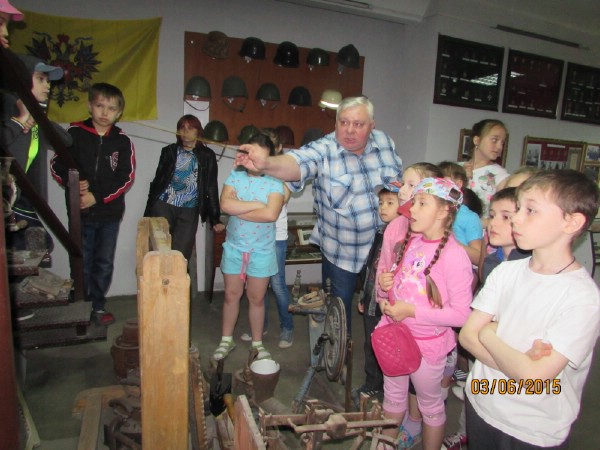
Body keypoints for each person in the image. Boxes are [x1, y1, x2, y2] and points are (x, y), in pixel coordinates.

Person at [236, 96, 403, 332]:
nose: (349, 130)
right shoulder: (324, 149)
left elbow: (401, 186)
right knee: (337, 319)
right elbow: (296, 163)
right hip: (341, 253)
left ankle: (376, 355)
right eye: (343, 122)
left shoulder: (385, 142)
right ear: (335, 123)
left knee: (380, 315)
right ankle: (336, 354)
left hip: (383, 250)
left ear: (371, 126)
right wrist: (266, 163)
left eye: (358, 124)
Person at [460, 170, 600, 449]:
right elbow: (466, 336)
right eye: (518, 208)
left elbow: (533, 377)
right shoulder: (506, 272)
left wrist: (487, 334)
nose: (516, 219)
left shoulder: (582, 297)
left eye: (530, 210)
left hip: (532, 427)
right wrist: (519, 364)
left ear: (571, 222)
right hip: (481, 402)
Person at [377, 178, 473, 450]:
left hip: (426, 346)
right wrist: (385, 292)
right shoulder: (412, 242)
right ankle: (385, 445)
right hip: (395, 337)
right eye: (413, 202)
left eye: (422, 203)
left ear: (444, 211)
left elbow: (461, 315)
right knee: (393, 399)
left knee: (430, 406)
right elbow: (398, 287)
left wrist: (411, 311)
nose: (412, 209)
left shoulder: (454, 256)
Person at [442, 187, 529, 450]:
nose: (493, 223)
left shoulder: (527, 266)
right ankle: (465, 432)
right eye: (492, 215)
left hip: (510, 352)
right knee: (476, 388)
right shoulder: (494, 258)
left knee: (508, 406)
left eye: (506, 216)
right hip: (485, 344)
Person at [50, 83, 135, 326]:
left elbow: (126, 177)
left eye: (111, 108)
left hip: (109, 215)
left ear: (119, 113)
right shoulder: (75, 133)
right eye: (99, 106)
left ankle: (97, 305)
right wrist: (73, 182)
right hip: (81, 214)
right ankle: (80, 304)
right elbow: (57, 165)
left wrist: (96, 196)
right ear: (90, 106)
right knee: (81, 260)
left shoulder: (122, 141)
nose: (105, 112)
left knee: (103, 263)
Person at [375, 162, 443, 447]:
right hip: (394, 325)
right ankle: (389, 440)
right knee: (395, 390)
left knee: (425, 393)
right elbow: (384, 268)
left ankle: (414, 424)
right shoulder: (396, 226)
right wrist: (382, 296)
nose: (403, 190)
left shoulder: (442, 243)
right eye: (404, 183)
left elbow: (451, 303)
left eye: (411, 185)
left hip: (426, 334)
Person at [212, 132, 284, 362]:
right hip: (234, 248)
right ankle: (226, 339)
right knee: (231, 295)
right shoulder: (236, 175)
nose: (254, 163)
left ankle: (257, 343)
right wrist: (256, 204)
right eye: (251, 156)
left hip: (261, 251)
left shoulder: (275, 182)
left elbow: (270, 214)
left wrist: (239, 207)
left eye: (259, 158)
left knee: (257, 299)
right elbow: (225, 205)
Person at [1, 55, 71, 245]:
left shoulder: (35, 118)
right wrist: (18, 120)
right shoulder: (6, 107)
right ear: (22, 79)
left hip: (21, 197)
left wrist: (38, 116)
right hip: (6, 195)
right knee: (38, 245)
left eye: (48, 81)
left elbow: (65, 140)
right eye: (40, 79)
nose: (47, 86)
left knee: (38, 245)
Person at [239, 128, 294, 349]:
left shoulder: (284, 173)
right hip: (256, 235)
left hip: (276, 236)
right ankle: (261, 326)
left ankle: (287, 328)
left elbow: (279, 201)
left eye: (270, 146)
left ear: (278, 148)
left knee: (278, 285)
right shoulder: (254, 171)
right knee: (258, 286)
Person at [144, 114, 223, 261]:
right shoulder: (169, 151)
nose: (185, 132)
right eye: (182, 128)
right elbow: (158, 182)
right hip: (163, 206)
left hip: (189, 209)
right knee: (158, 252)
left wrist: (215, 219)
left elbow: (211, 187)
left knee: (180, 256)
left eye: (190, 128)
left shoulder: (207, 155)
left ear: (198, 131)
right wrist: (148, 210)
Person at [352, 177, 401, 408]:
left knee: (389, 346)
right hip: (372, 299)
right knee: (371, 344)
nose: (383, 208)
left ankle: (388, 388)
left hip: (390, 303)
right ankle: (372, 383)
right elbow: (371, 265)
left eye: (390, 203)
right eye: (381, 203)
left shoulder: (404, 237)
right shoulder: (381, 231)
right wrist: (363, 294)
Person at [461, 119, 510, 216]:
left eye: (502, 143)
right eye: (494, 140)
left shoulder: (500, 175)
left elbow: (504, 211)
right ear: (477, 140)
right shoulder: (457, 167)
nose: (499, 147)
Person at [439, 161, 483, 265]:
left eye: (441, 182)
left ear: (458, 184)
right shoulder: (431, 212)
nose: (436, 186)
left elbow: (479, 258)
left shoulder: (470, 217)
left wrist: (452, 243)